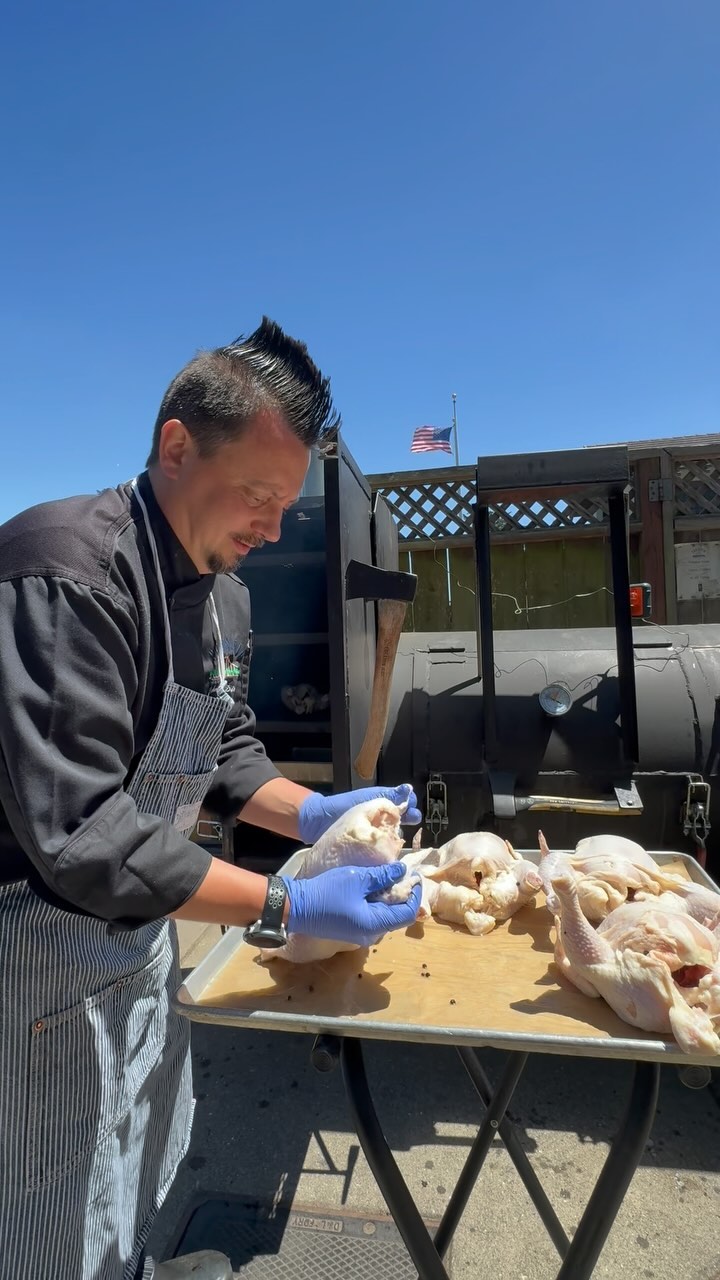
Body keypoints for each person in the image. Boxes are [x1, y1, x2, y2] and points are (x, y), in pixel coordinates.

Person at [0, 318, 422, 1280]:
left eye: (286, 503)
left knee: (133, 1151)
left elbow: (225, 751)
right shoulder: (66, 572)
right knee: (37, 1207)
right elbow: (83, 833)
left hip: (139, 935)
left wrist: (318, 814)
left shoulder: (225, 596)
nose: (274, 528)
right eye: (261, 497)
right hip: (31, 948)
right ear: (176, 446)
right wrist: (282, 903)